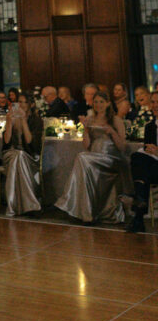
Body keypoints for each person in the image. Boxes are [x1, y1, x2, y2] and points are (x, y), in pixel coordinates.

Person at [56, 91, 127, 224]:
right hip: (93, 157)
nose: (98, 105)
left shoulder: (116, 120)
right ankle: (85, 211)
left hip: (110, 158)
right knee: (83, 159)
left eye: (101, 102)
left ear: (108, 104)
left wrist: (112, 132)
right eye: (96, 102)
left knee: (82, 158)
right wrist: (86, 129)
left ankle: (69, 202)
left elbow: (122, 147)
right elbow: (86, 146)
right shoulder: (91, 119)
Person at [1, 97, 44, 217]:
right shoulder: (12, 118)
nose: (22, 104)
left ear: (30, 104)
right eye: (20, 102)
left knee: (19, 156)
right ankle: (30, 205)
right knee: (17, 156)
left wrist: (24, 120)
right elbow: (6, 141)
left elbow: (31, 142)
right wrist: (9, 122)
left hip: (29, 156)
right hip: (10, 153)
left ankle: (14, 205)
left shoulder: (36, 120)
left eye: (25, 102)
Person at [128, 110, 158, 233]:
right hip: (153, 165)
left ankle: (138, 218)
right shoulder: (150, 126)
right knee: (137, 157)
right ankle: (139, 199)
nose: (155, 105)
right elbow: (147, 147)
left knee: (143, 176)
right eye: (153, 102)